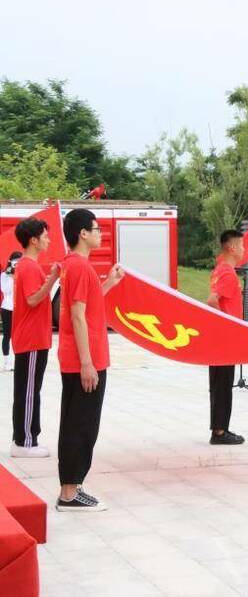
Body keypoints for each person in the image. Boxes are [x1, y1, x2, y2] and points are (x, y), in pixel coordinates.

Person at [56, 208, 125, 511]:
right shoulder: (80, 268)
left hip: (79, 356)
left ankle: (72, 486)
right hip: (85, 358)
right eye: (96, 229)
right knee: (81, 424)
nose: (100, 234)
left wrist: (109, 282)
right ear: (82, 233)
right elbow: (77, 316)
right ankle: (70, 492)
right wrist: (87, 363)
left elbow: (87, 303)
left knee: (76, 421)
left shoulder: (73, 266)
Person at [10, 220, 59, 458]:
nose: (48, 239)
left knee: (29, 390)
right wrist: (52, 279)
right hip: (31, 339)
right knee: (28, 392)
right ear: (33, 240)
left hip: (34, 339)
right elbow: (32, 299)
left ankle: (26, 438)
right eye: (45, 236)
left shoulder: (29, 265)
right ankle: (24, 442)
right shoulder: (28, 266)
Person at [205, 230, 246, 445]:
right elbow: (212, 301)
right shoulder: (228, 273)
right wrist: (228, 324)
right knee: (223, 384)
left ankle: (219, 428)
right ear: (232, 248)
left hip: (219, 337)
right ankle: (220, 432)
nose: (244, 249)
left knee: (219, 383)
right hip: (225, 337)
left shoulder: (220, 269)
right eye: (242, 245)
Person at [0, 253, 16, 371]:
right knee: (7, 335)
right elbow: (6, 290)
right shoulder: (4, 275)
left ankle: (17, 360)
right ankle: (6, 362)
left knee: (18, 336)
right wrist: (12, 275)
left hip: (19, 309)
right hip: (7, 308)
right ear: (10, 261)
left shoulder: (22, 273)